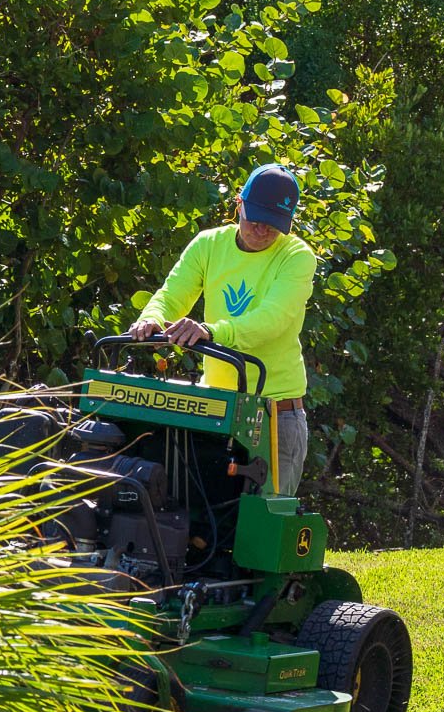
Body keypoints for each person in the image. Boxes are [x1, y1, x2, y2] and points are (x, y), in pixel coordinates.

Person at [128, 164, 317, 496]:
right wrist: (152, 318)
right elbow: (172, 295)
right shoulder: (209, 244)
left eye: (273, 226)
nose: (262, 231)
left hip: (275, 414)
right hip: (215, 410)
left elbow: (272, 320)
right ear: (238, 204)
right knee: (200, 518)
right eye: (255, 220)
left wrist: (209, 331)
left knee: (264, 527)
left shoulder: (297, 256)